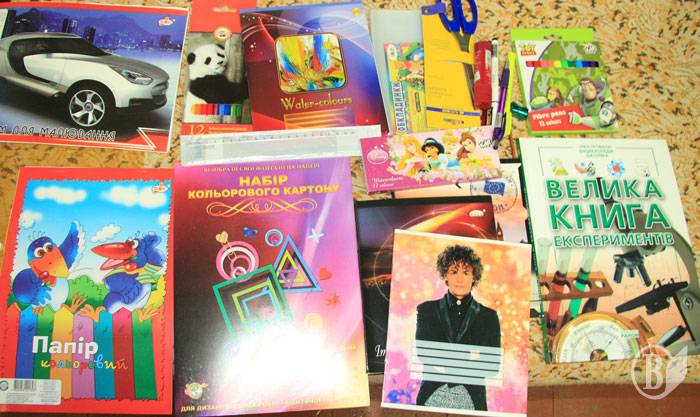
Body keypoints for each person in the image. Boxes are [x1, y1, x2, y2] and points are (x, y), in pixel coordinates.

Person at [414, 245, 500, 411]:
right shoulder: (426, 310)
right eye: (454, 272)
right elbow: (425, 353)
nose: (460, 279)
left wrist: (445, 359)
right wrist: (470, 358)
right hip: (431, 395)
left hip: (473, 399)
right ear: (445, 274)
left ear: (474, 276)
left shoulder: (489, 316)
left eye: (466, 273)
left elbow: (491, 365)